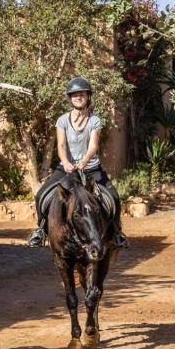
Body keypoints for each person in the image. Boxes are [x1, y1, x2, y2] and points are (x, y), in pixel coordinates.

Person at [27, 76, 129, 249]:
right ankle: (41, 229)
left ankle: (116, 231)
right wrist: (66, 162)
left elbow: (93, 145)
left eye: (82, 94)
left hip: (91, 168)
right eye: (74, 95)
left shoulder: (94, 120)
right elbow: (60, 145)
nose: (78, 97)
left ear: (88, 96)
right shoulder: (62, 120)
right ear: (70, 98)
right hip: (66, 168)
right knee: (41, 195)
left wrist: (84, 161)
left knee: (114, 197)